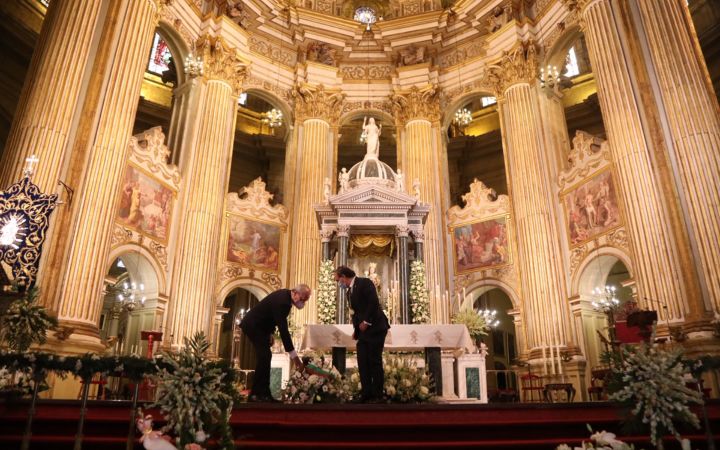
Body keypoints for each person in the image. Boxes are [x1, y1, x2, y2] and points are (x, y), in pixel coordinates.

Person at [240, 284, 310, 402]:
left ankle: (262, 393)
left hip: (261, 327)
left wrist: (270, 333)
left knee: (265, 356)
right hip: (253, 325)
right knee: (264, 356)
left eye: (305, 300)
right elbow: (283, 330)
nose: (303, 303)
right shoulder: (284, 302)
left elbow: (272, 317)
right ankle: (257, 394)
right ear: (295, 293)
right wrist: (295, 357)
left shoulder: (285, 297)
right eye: (303, 299)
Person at [334, 266, 390, 403]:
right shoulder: (349, 293)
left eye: (338, 280)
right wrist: (356, 330)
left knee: (374, 362)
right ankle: (366, 393)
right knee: (363, 362)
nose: (338, 283)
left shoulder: (365, 283)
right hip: (364, 332)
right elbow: (355, 313)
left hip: (376, 328)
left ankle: (377, 395)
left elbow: (373, 303)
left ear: (343, 276)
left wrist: (366, 321)